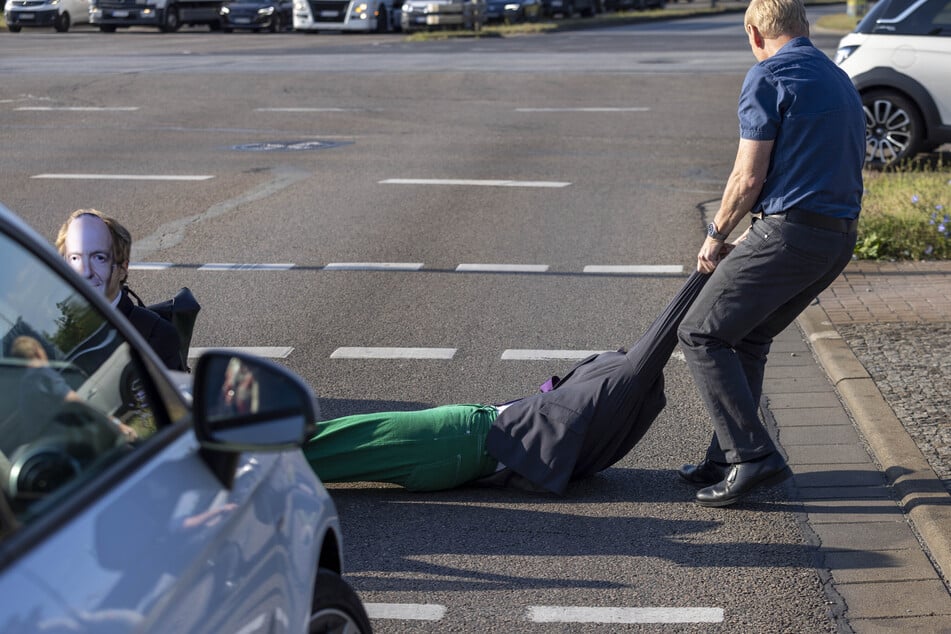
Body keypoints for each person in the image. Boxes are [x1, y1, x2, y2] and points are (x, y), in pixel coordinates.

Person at [675, 0, 865, 507]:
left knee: (700, 332)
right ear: (803, 28)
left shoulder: (768, 77)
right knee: (749, 336)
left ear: (756, 33)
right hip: (836, 237)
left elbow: (747, 176)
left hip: (792, 233)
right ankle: (726, 456)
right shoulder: (837, 76)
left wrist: (716, 234)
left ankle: (753, 456)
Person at [306, 272, 709, 494]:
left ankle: (243, 461)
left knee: (320, 444)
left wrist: (710, 264)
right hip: (464, 457)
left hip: (459, 436)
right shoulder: (614, 431)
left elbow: (664, 330)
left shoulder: (625, 380)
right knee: (330, 457)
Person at [55, 209, 185, 372]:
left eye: (99, 258)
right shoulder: (49, 327)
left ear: (123, 268)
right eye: (75, 258)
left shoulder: (155, 336)